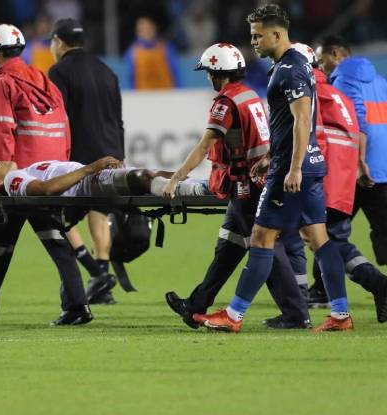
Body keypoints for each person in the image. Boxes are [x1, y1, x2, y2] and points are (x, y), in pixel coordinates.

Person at [193, 4, 352, 333]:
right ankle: (340, 313)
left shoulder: (290, 70)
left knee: (262, 237)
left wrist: (290, 166)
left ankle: (233, 316)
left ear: (277, 34)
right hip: (306, 164)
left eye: (257, 35)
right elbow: (290, 123)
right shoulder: (296, 64)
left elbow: (303, 117)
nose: (253, 42)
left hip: (293, 170)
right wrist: (273, 157)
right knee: (318, 238)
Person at [161, 43, 310, 330]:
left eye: (208, 72)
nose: (208, 78)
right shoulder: (250, 94)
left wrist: (176, 177)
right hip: (253, 181)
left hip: (246, 185)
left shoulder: (225, 103)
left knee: (265, 244)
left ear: (218, 73)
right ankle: (195, 306)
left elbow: (206, 144)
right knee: (229, 245)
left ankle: (296, 313)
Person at [0, 23, 92, 327]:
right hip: (48, 173)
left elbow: (1, 130)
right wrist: (58, 172)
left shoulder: (2, 82)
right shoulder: (42, 78)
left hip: (18, 177)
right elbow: (63, 126)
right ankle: (78, 306)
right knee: (55, 238)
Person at [279, 43, 387, 322]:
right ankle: (355, 293)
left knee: (291, 234)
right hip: (351, 177)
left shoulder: (309, 92)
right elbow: (354, 127)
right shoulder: (343, 92)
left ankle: (299, 304)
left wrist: (295, 169)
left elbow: (310, 135)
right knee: (334, 241)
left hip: (327, 177)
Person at [49, 18, 124, 305]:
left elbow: (59, 118)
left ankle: (95, 273)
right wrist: (119, 154)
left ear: (59, 42)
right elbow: (118, 118)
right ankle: (101, 283)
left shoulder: (59, 72)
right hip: (112, 152)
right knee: (100, 214)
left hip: (79, 156)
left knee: (55, 215)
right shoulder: (107, 71)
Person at [316, 36, 387, 268]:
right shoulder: (380, 81)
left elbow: (357, 121)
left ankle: (322, 290)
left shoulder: (342, 81)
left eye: (321, 59)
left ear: (336, 54)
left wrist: (359, 162)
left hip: (355, 169)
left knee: (327, 232)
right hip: (383, 169)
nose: (320, 66)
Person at [0, 158, 208, 198]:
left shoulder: (24, 171)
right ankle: (199, 191)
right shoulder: (12, 180)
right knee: (141, 177)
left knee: (154, 174)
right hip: (87, 184)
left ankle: (204, 186)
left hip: (92, 178)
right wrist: (91, 168)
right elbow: (47, 189)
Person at [123, 16, 181, 90]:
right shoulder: (131, 53)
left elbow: (176, 73)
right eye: (142, 30)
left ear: (154, 29)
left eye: (148, 29)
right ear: (137, 32)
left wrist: (178, 92)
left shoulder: (166, 49)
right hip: (143, 96)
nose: (146, 32)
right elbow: (129, 78)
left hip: (166, 94)